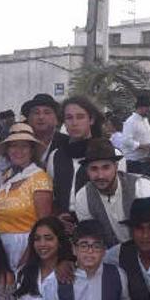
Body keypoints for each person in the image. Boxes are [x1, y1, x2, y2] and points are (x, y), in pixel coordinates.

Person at [48, 96, 126, 231]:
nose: (74, 123)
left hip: (101, 229)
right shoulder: (55, 156)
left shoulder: (112, 154)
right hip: (63, 230)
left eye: (80, 117)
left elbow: (119, 196)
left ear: (91, 119)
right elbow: (52, 195)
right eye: (69, 118)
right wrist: (57, 218)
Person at [75, 138, 150, 248]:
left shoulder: (141, 188)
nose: (100, 175)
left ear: (116, 167)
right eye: (94, 169)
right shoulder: (83, 197)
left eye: (106, 167)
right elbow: (91, 240)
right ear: (87, 171)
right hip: (110, 256)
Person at [0, 123, 54, 270]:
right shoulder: (5, 177)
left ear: (32, 150)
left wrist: (28, 258)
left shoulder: (39, 179)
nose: (18, 151)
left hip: (26, 249)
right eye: (13, 146)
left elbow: (44, 224)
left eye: (24, 146)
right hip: (0, 250)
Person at [21, 93, 70, 167]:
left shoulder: (68, 144)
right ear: (28, 119)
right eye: (36, 113)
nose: (41, 117)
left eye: (47, 112)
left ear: (56, 119)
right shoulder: (19, 143)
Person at [121, 94, 150, 176]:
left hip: (145, 161)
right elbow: (126, 140)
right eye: (147, 107)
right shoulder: (130, 121)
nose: (149, 109)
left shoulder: (146, 120)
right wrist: (141, 146)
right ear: (140, 107)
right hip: (133, 162)